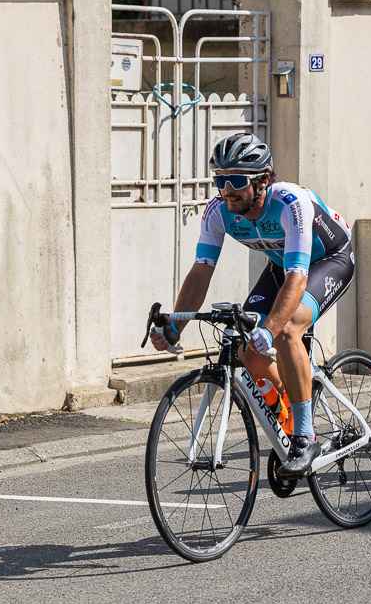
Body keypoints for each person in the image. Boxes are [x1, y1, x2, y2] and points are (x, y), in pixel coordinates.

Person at [148, 133, 355, 476]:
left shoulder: (292, 203)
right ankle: (292, 398)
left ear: (263, 181)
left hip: (328, 260)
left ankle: (305, 438)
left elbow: (298, 278)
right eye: (220, 179)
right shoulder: (218, 212)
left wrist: (271, 329)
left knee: (287, 331)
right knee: (247, 350)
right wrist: (175, 326)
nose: (226, 189)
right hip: (281, 265)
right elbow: (201, 272)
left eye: (236, 180)